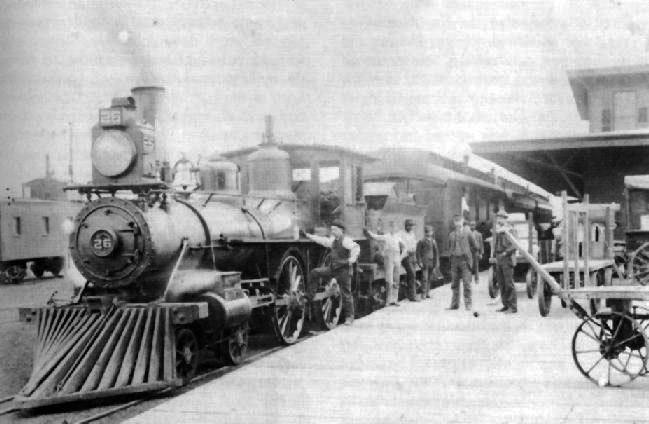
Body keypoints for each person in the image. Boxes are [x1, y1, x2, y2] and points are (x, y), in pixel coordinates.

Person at [304, 220, 360, 325]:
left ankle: (349, 317)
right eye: (332, 229)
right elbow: (322, 240)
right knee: (315, 272)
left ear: (341, 230)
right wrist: (309, 236)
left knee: (346, 293)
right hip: (333, 269)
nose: (333, 231)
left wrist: (351, 260)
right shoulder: (333, 240)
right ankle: (309, 295)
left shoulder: (346, 241)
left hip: (344, 270)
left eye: (335, 229)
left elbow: (356, 247)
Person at [365, 221, 404, 306]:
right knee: (389, 280)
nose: (393, 229)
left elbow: (404, 247)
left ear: (396, 228)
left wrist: (401, 257)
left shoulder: (398, 237)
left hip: (397, 257)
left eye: (394, 227)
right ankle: (388, 300)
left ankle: (395, 300)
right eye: (391, 227)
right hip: (389, 258)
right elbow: (376, 237)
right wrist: (368, 232)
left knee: (396, 279)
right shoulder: (386, 236)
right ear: (389, 228)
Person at [447, 214, 477, 310]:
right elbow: (450, 247)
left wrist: (468, 253)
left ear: (462, 221)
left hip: (464, 261)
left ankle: (468, 304)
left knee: (466, 283)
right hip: (454, 261)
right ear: (453, 222)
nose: (457, 223)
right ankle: (454, 305)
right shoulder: (451, 235)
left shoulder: (468, 233)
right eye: (455, 221)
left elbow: (475, 246)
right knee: (454, 284)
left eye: (459, 221)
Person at [494, 211, 518, 314]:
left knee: (509, 284)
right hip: (499, 258)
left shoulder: (511, 230)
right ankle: (505, 305)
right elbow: (495, 244)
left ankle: (513, 307)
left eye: (502, 218)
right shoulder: (498, 231)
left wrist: (505, 253)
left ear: (505, 219)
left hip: (507, 258)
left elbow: (515, 245)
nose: (499, 220)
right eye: (498, 218)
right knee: (501, 284)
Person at [396, 219, 419, 301]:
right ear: (406, 226)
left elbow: (414, 243)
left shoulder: (412, 233)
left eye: (412, 226)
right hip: (405, 256)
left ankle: (411, 294)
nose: (411, 227)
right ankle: (412, 296)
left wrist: (414, 249)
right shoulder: (400, 233)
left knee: (413, 274)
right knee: (412, 274)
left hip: (412, 255)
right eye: (409, 225)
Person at [416, 225, 440, 300]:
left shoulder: (433, 241)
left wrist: (436, 264)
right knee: (424, 278)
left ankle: (427, 293)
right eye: (426, 232)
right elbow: (418, 253)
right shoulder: (421, 241)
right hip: (424, 263)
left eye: (429, 232)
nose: (428, 233)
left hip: (431, 262)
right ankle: (423, 294)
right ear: (425, 232)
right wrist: (419, 262)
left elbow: (436, 253)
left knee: (429, 278)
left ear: (432, 233)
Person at [469, 220, 484, 284]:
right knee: (469, 266)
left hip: (476, 252)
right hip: (469, 252)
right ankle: (469, 279)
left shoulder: (479, 234)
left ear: (475, 226)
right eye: (471, 225)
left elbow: (481, 244)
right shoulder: (467, 234)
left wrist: (481, 253)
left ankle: (477, 279)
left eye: (473, 225)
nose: (472, 227)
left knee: (476, 266)